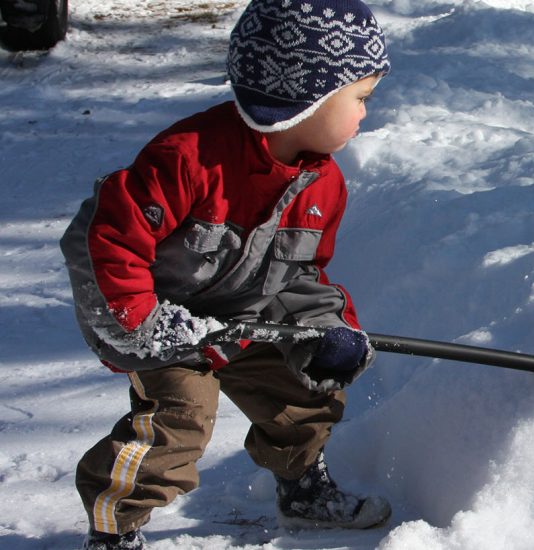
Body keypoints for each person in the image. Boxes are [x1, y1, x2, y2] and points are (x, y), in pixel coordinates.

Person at [60, 1, 392, 548]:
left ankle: (304, 489)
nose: (364, 114)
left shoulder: (322, 185)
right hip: (162, 322)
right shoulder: (189, 159)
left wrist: (330, 327)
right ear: (303, 97)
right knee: (178, 423)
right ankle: (114, 527)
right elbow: (109, 240)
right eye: (359, 98)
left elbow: (301, 272)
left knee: (303, 392)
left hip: (242, 315)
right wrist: (144, 324)